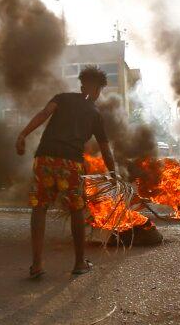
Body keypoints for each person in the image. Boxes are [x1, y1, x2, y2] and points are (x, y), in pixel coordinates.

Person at [16, 65, 115, 277]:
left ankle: (37, 265)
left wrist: (23, 134)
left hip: (45, 159)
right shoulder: (95, 114)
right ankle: (79, 264)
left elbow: (44, 114)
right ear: (98, 90)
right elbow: (106, 149)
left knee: (39, 207)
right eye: (98, 90)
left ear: (82, 86)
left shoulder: (61, 98)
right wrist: (113, 173)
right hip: (70, 164)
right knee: (76, 209)